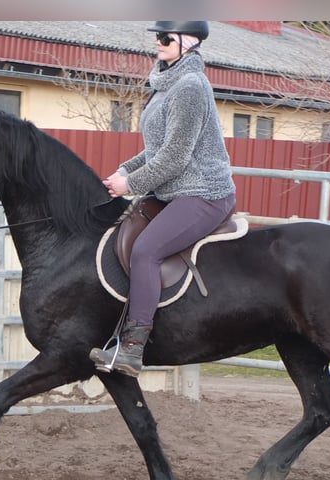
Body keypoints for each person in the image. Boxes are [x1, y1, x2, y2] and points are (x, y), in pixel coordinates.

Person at [89, 21, 237, 377]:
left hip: (203, 192)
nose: (158, 42)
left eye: (166, 37)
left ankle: (133, 349)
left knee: (146, 250)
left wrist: (132, 184)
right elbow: (155, 150)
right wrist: (124, 171)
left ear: (190, 42)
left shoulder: (190, 86)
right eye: (157, 36)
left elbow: (175, 156)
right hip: (172, 191)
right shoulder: (164, 85)